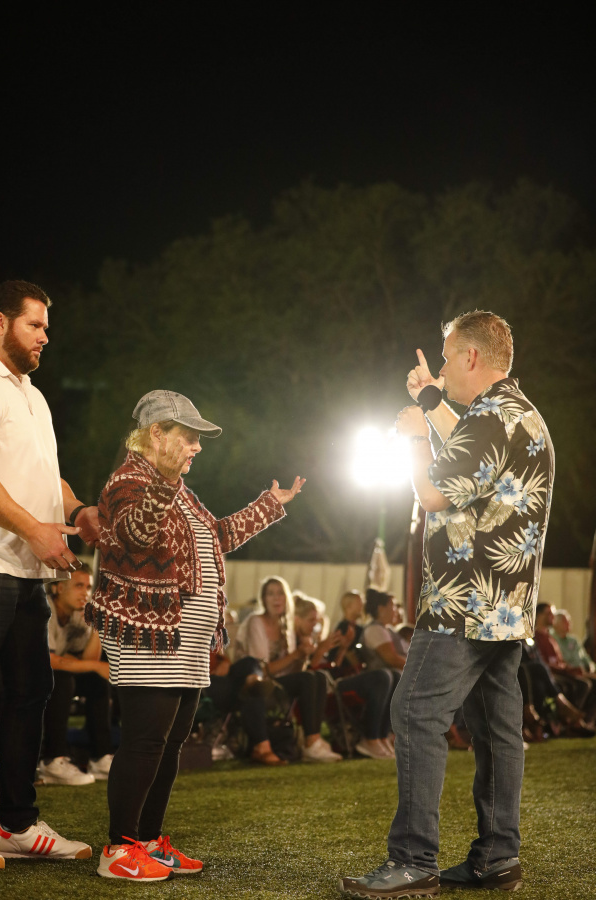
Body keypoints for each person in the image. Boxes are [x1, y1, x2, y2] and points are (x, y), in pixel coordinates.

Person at [340, 310, 554, 898]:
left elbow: (435, 491)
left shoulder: (489, 417)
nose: (440, 368)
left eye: (445, 358)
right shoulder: (520, 415)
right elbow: (471, 460)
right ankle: (498, 857)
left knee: (414, 711)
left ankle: (413, 861)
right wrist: (432, 400)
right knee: (496, 731)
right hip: (504, 605)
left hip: (463, 601)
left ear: (471, 357)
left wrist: (414, 435)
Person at [84, 389, 304, 882]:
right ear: (156, 434)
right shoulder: (127, 482)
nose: (196, 447)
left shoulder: (179, 491)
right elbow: (137, 533)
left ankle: (146, 841)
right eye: (188, 437)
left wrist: (269, 506)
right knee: (146, 740)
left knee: (169, 744)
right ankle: (118, 849)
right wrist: (164, 484)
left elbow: (216, 537)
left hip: (185, 641)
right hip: (149, 634)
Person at [0, 280, 100, 870]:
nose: (44, 337)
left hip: (25, 575)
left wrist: (78, 510)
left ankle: (14, 824)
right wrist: (32, 529)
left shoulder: (34, 396)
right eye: (33, 325)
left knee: (31, 692)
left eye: (46, 328)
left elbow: (47, 477)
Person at [235, 576, 342, 762]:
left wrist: (303, 655)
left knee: (318, 676)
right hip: (257, 686)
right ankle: (311, 743)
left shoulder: (286, 626)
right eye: (271, 594)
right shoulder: (256, 622)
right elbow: (261, 670)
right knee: (309, 678)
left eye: (280, 594)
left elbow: (294, 673)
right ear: (263, 599)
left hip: (279, 684)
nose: (276, 598)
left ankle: (313, 740)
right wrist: (295, 655)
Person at [38, 564, 113, 785]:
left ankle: (101, 757)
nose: (85, 593)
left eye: (88, 587)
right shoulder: (44, 609)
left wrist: (98, 626)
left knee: (96, 681)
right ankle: (53, 760)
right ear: (59, 588)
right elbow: (49, 660)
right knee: (62, 680)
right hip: (21, 676)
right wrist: (95, 666)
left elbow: (88, 659)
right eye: (79, 586)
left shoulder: (80, 614)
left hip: (52, 673)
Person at [294, 594, 394, 759]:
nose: (315, 626)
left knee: (393, 675)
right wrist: (319, 652)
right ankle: (371, 738)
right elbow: (307, 676)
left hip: (331, 683)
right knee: (382, 676)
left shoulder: (312, 640)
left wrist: (342, 649)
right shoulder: (297, 642)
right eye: (311, 621)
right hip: (323, 690)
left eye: (316, 621)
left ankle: (382, 737)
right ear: (297, 620)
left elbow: (332, 668)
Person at [552, 609, 596, 674]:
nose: (569, 623)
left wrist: (591, 666)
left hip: (584, 672)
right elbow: (560, 661)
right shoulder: (552, 640)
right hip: (568, 673)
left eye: (569, 621)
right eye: (565, 621)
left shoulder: (573, 640)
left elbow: (585, 657)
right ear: (556, 624)